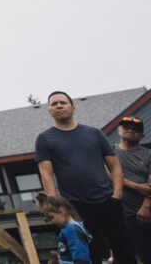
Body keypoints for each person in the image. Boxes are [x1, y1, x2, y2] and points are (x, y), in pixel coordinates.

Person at [35, 91, 136, 263]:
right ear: (50, 112)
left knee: (124, 250)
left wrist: (117, 197)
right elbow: (47, 174)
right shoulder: (44, 139)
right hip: (75, 206)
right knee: (90, 255)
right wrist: (54, 207)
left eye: (63, 102)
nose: (58, 106)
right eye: (54, 104)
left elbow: (115, 167)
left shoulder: (95, 133)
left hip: (108, 201)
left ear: (73, 108)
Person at [115, 116, 151, 262]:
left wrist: (146, 206)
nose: (130, 130)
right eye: (126, 127)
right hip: (124, 215)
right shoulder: (110, 153)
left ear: (142, 136)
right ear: (119, 130)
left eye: (136, 129)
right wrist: (136, 186)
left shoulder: (148, 154)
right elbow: (109, 176)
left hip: (146, 211)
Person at [36, 192, 94, 264]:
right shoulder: (70, 228)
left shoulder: (71, 229)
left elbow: (80, 253)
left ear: (61, 212)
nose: (52, 222)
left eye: (51, 217)